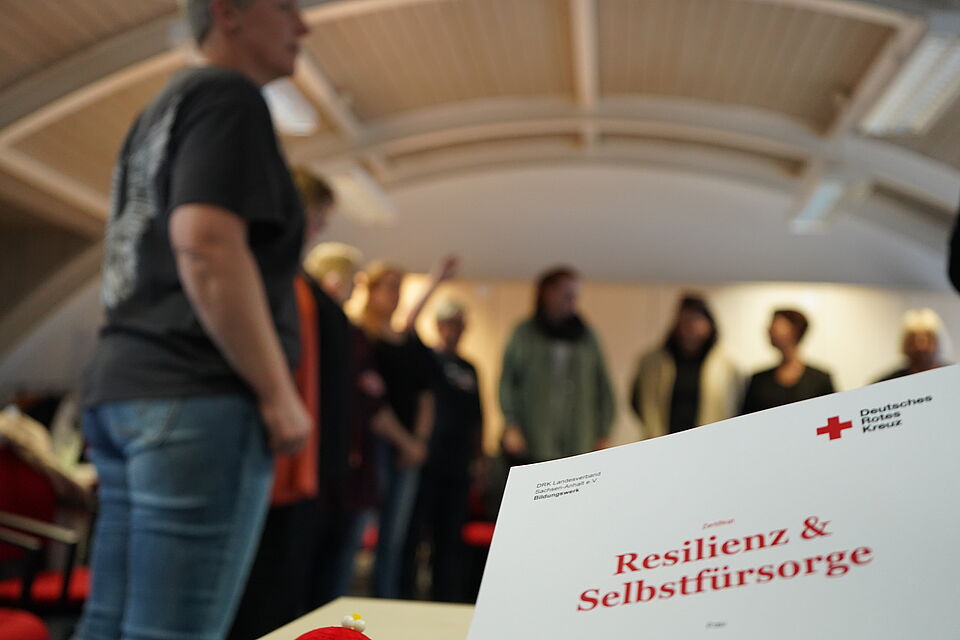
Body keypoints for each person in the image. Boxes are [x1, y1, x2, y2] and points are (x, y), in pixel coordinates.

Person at [74, 1, 311, 638]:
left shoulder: (160, 111)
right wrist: (278, 392)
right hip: (195, 396)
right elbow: (205, 244)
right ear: (229, 12)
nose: (304, 25)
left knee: (110, 623)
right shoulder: (229, 97)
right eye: (287, 6)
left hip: (125, 386)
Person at [228, 170, 334, 640]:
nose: (320, 227)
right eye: (317, 215)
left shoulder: (294, 279)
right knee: (251, 596)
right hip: (264, 452)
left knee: (274, 593)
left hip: (291, 457)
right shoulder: (261, 271)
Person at [359, 258, 456, 598]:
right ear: (371, 290)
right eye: (389, 287)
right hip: (378, 443)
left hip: (409, 448)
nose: (396, 294)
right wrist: (405, 441)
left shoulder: (406, 341)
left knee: (395, 534)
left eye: (400, 288)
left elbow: (425, 395)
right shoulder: (365, 338)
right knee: (360, 530)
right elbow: (373, 403)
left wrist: (418, 441)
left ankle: (385, 598)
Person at [499, 267, 615, 464]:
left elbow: (603, 386)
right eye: (567, 294)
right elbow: (508, 383)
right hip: (535, 442)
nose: (573, 300)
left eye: (575, 295)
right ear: (548, 293)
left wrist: (604, 432)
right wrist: (511, 425)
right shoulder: (524, 335)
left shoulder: (587, 338)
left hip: (579, 442)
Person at [413, 299, 484, 602]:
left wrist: (479, 458)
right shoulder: (427, 360)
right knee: (417, 535)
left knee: (450, 538)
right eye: (451, 323)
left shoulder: (469, 368)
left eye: (461, 324)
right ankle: (411, 595)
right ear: (439, 325)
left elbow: (478, 417)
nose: (456, 330)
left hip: (459, 464)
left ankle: (446, 598)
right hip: (428, 463)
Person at [630, 294, 740, 439]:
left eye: (696, 319)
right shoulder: (653, 363)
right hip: (662, 440)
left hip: (710, 440)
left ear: (709, 324)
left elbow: (735, 405)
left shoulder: (725, 366)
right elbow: (637, 400)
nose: (690, 326)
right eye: (685, 320)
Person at [740, 309, 835, 415]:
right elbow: (745, 419)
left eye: (775, 323)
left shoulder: (820, 379)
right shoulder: (758, 380)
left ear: (794, 329)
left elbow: (833, 413)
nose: (769, 329)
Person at [875, 308, 949, 382]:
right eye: (913, 341)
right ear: (905, 345)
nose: (921, 347)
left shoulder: (952, 377)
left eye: (928, 340)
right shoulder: (888, 383)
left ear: (938, 343)